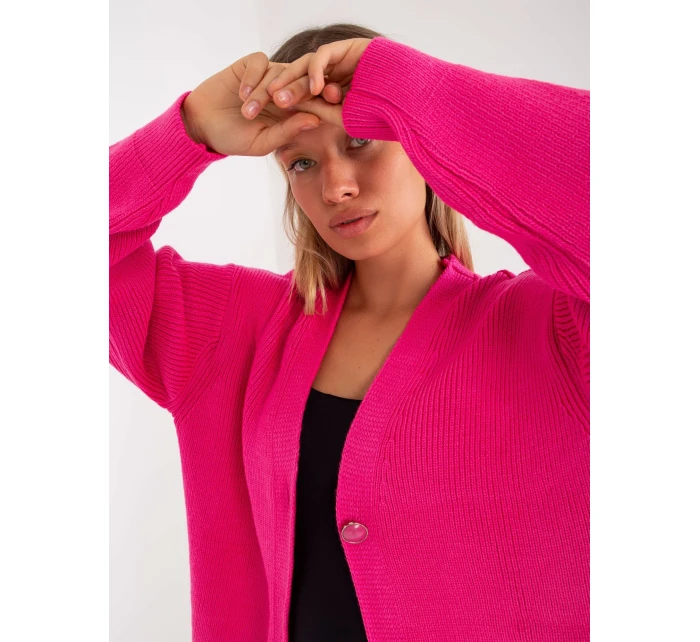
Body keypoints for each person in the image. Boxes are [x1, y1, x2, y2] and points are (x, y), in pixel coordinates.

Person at [110, 22, 589, 642]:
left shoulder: (552, 329)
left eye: (361, 140)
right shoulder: (235, 329)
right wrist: (191, 129)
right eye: (303, 162)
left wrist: (416, 92)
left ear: (418, 142)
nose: (336, 186)